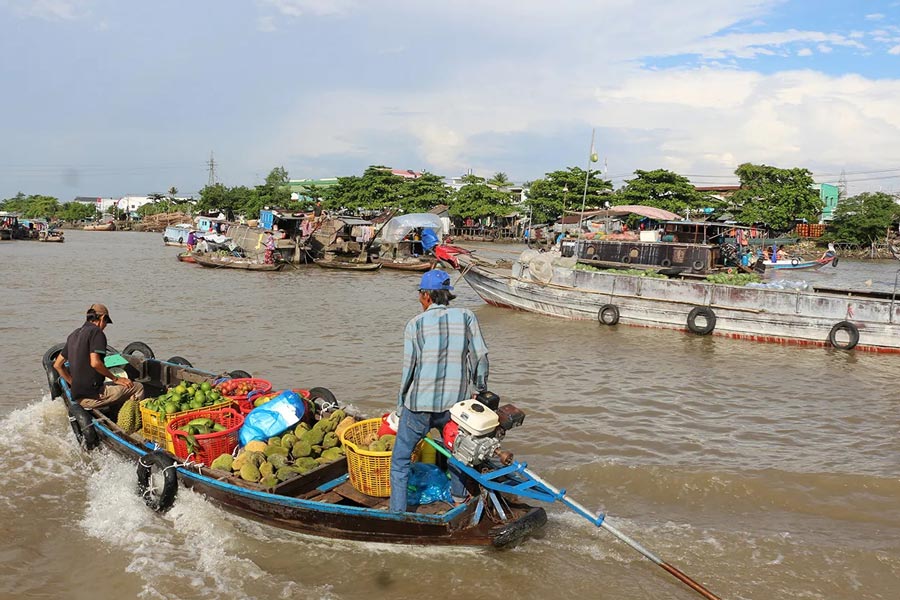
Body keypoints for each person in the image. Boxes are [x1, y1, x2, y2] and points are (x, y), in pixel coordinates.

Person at [389, 270, 489, 513]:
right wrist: (479, 390)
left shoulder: (415, 324)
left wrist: (401, 405)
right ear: (447, 295)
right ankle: (458, 498)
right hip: (455, 407)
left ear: (426, 296)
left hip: (419, 405)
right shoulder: (466, 317)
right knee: (458, 452)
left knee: (400, 462)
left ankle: (397, 513)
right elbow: (480, 358)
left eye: (420, 296)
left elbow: (409, 369)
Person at [53, 304, 144, 410]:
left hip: (78, 397)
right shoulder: (97, 332)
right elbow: (95, 363)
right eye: (106, 322)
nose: (105, 326)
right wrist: (115, 379)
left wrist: (73, 384)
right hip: (94, 396)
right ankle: (135, 419)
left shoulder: (74, 335)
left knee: (116, 386)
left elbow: (57, 365)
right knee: (137, 387)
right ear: (102, 318)